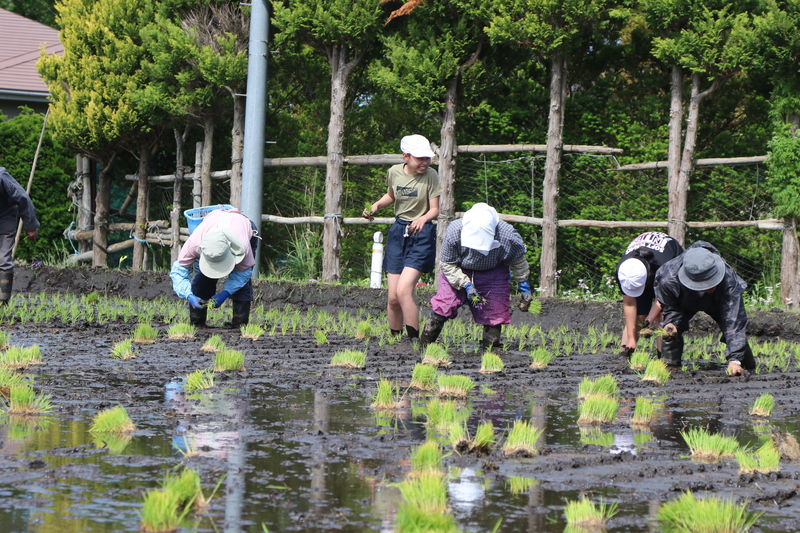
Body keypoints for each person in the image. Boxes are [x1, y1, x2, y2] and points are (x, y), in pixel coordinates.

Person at [419, 203, 532, 350]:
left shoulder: (507, 235)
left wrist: (524, 287)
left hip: (493, 272)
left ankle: (490, 350)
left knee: (495, 310)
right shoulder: (454, 231)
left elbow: (518, 261)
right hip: (458, 269)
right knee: (445, 304)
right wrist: (466, 284)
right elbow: (448, 264)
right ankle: (424, 346)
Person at [362, 134, 441, 339]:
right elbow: (391, 195)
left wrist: (422, 219)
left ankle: (415, 342)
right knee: (393, 298)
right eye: (420, 158)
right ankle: (394, 341)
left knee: (404, 290)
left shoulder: (431, 175)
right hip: (399, 233)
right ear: (405, 156)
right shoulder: (394, 172)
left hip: (422, 234)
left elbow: (435, 210)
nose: (425, 162)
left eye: (427, 158)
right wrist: (376, 206)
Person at [654, 241, 756, 375]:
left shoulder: (729, 280)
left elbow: (734, 321)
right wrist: (671, 323)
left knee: (734, 333)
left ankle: (748, 367)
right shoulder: (668, 278)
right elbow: (672, 307)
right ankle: (670, 366)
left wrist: (735, 360)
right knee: (670, 332)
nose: (707, 286)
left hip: (719, 301)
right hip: (684, 300)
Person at [170, 207, 258, 327]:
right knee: (201, 279)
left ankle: (239, 324)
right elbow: (178, 272)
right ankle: (197, 322)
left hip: (242, 227)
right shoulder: (194, 244)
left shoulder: (242, 246)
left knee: (243, 282)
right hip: (211, 224)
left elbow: (243, 273)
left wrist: (226, 293)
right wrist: (189, 295)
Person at [615, 232, 683, 356]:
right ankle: (625, 352)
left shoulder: (665, 268)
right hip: (644, 271)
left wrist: (651, 317)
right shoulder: (624, 272)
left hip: (670, 263)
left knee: (662, 316)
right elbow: (629, 305)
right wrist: (632, 338)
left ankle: (664, 356)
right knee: (639, 317)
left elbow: (661, 299)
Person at [0, 167, 39, 305]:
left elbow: (22, 198)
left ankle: (3, 300)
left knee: (3, 258)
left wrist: (31, 225)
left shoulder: (2, 176)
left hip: (4, 217)